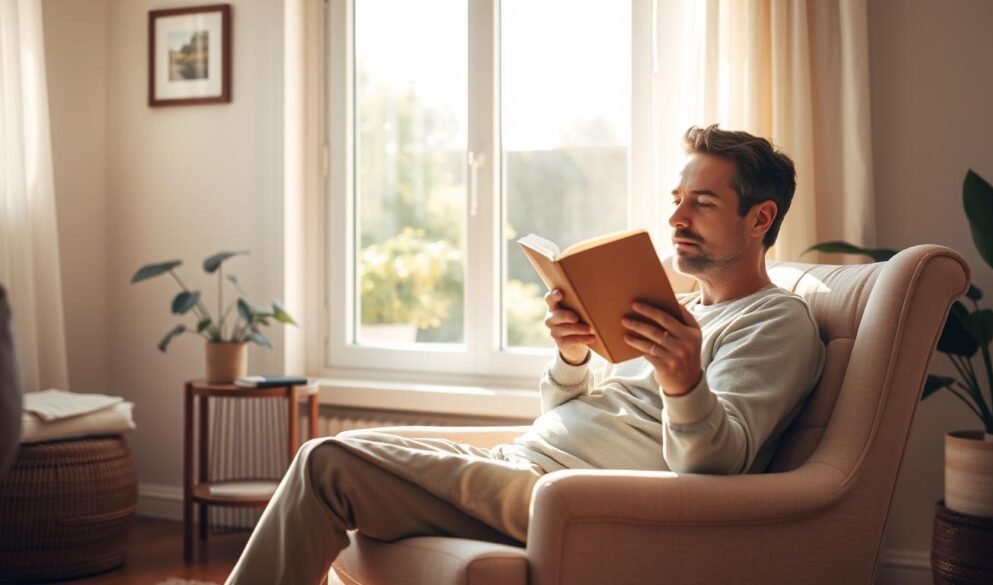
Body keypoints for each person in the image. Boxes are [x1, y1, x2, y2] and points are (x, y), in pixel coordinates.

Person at [225, 125, 825, 585]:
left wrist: (683, 379)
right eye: (676, 198)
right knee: (327, 456)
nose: (676, 218)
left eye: (703, 202)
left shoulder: (775, 322)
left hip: (573, 494)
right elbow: (578, 410)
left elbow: (718, 469)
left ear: (760, 218)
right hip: (523, 461)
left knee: (327, 460)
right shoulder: (675, 309)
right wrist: (570, 357)